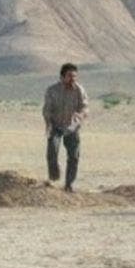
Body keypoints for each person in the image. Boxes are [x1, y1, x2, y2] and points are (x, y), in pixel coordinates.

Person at [43, 63, 89, 192]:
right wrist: (48, 123)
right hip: (55, 125)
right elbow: (47, 109)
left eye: (74, 76)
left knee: (74, 156)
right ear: (62, 77)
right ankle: (53, 177)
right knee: (52, 151)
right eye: (69, 76)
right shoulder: (52, 90)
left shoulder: (79, 90)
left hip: (72, 126)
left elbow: (85, 106)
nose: (72, 79)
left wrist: (81, 114)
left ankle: (69, 184)